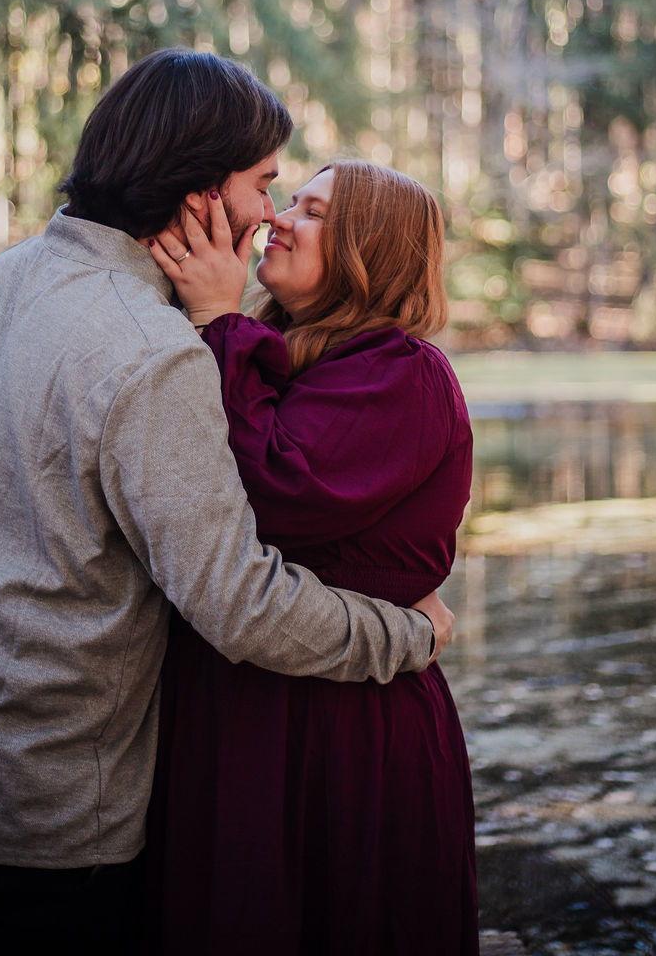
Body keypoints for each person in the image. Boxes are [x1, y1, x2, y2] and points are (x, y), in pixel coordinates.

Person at [0, 52, 455, 956]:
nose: (268, 213)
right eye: (265, 185)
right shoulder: (154, 347)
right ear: (202, 195)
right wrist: (405, 635)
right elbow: (238, 602)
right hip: (57, 796)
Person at [143, 159, 479, 956]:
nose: (278, 219)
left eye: (315, 212)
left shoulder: (403, 373)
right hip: (237, 714)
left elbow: (276, 493)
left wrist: (219, 319)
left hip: (345, 730)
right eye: (288, 201)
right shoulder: (288, 355)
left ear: (372, 247)